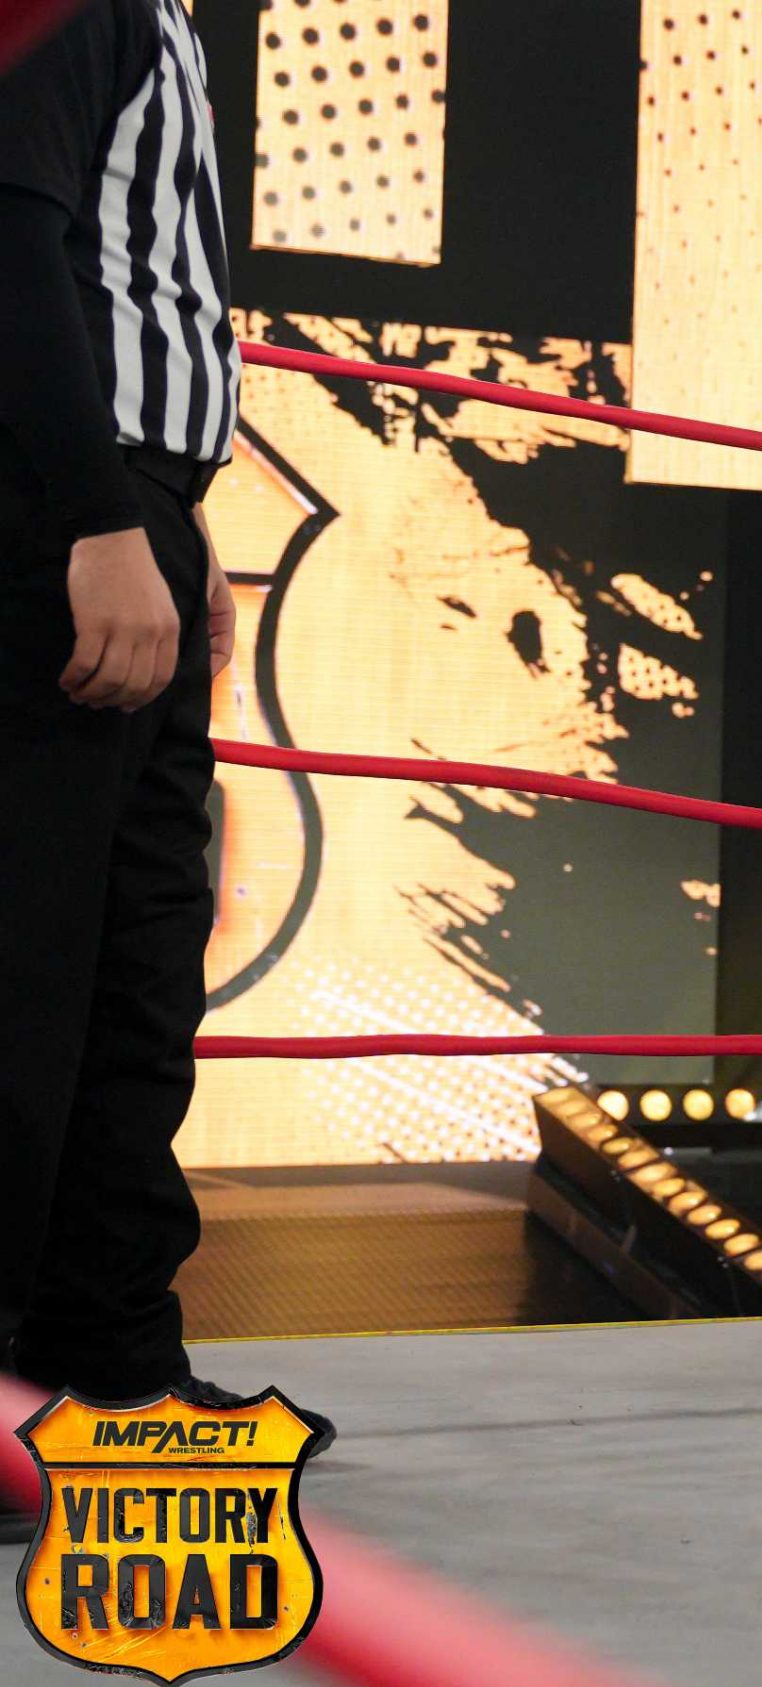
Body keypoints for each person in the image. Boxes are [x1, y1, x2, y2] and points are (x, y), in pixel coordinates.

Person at [0, 0, 333, 1505]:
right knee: (26, 966)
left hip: (136, 503)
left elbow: (125, 286)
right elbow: (8, 234)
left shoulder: (165, 19)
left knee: (136, 964)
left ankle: (109, 1363)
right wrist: (91, 512)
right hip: (51, 507)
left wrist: (172, 521)